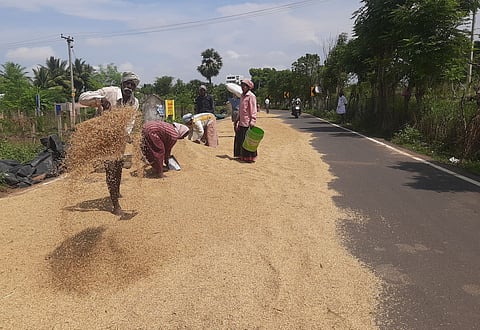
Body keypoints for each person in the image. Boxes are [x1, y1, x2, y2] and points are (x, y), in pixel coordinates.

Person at [78, 71, 140, 216]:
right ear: (122, 83)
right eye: (127, 83)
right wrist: (100, 100)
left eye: (132, 85)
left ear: (135, 88)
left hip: (119, 137)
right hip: (104, 135)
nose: (129, 86)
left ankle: (115, 192)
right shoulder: (109, 92)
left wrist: (126, 135)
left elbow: (130, 122)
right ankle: (115, 204)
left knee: (118, 166)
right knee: (111, 168)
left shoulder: (134, 102)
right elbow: (82, 98)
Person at [234, 79, 258, 162]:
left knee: (247, 141)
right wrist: (237, 120)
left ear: (248, 87)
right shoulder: (242, 96)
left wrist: (253, 121)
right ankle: (241, 156)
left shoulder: (251, 96)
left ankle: (249, 157)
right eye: (242, 85)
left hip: (248, 122)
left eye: (244, 86)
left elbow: (253, 109)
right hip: (241, 121)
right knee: (240, 140)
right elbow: (241, 109)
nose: (242, 87)